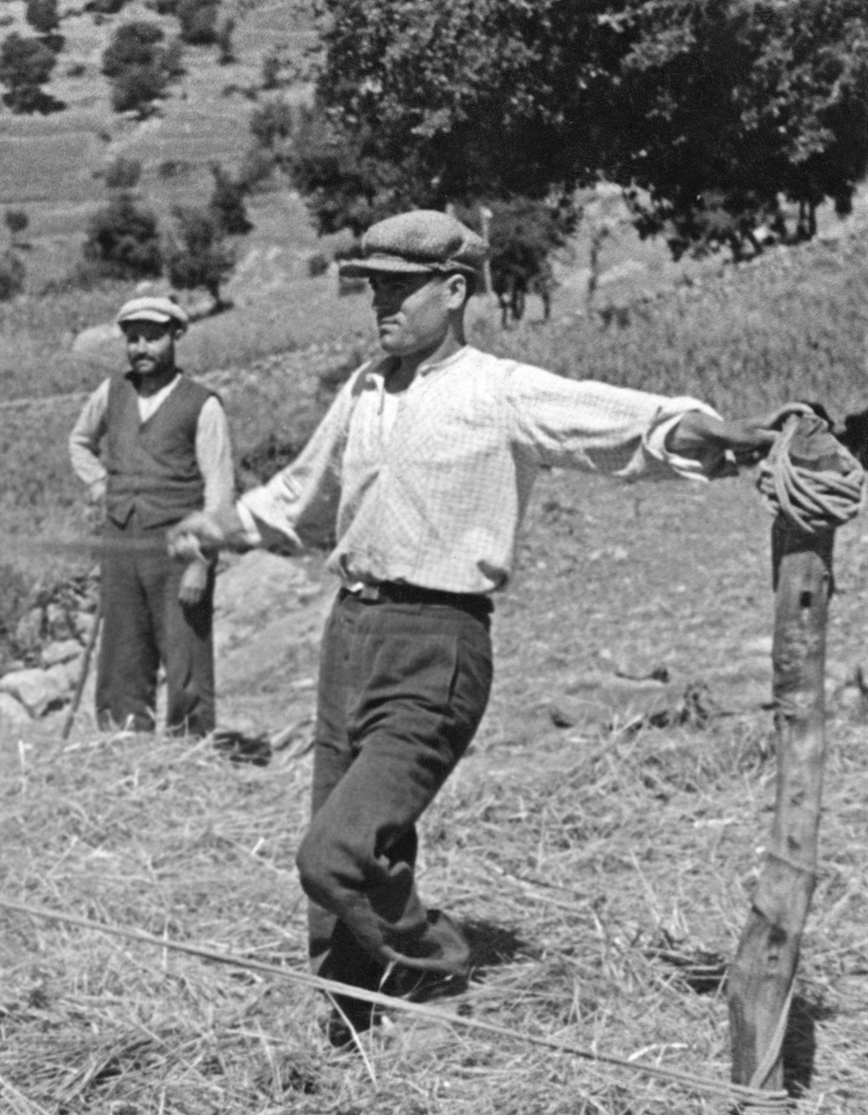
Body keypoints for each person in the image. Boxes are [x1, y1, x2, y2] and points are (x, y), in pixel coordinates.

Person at [166, 209, 774, 1043]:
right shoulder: (367, 387)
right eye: (373, 287)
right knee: (347, 860)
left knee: (335, 853)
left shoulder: (500, 391)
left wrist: (709, 434)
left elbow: (622, 422)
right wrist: (221, 526)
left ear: (454, 291)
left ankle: (440, 973)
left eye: (401, 288)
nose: (382, 303)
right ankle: (352, 1035)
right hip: (350, 635)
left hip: (438, 644)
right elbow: (301, 496)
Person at [68, 295, 237, 735]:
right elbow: (80, 442)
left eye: (153, 337)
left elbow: (219, 494)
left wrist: (202, 562)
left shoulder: (203, 405)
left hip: (179, 550)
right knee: (123, 650)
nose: (141, 348)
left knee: (185, 655)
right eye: (133, 339)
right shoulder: (112, 392)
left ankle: (189, 747)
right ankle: (123, 742)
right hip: (121, 541)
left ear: (175, 337)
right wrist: (100, 483)